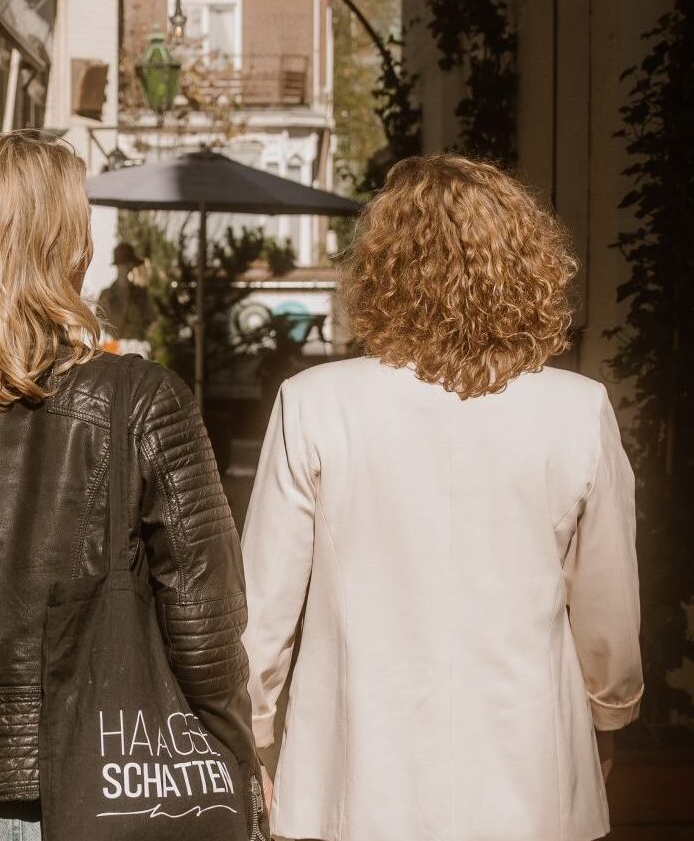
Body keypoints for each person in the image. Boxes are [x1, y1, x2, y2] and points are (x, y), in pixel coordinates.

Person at [0, 130, 261, 840]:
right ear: (69, 247)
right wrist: (234, 758)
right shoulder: (142, 401)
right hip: (123, 785)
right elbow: (205, 620)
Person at [241, 154, 643, 841]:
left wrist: (254, 729)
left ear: (381, 271)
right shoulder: (576, 411)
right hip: (529, 771)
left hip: (356, 774)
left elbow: (263, 603)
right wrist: (610, 716)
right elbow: (607, 605)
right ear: (527, 267)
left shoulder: (315, 404)